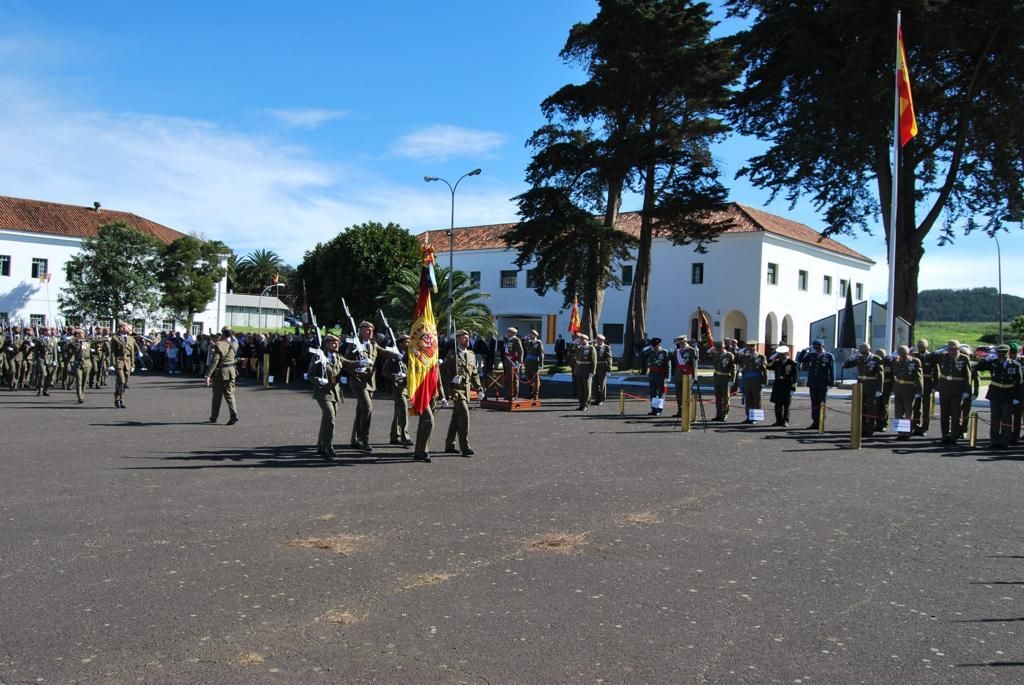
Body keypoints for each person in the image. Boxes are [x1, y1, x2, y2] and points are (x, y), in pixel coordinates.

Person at [443, 329, 483, 458]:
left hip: (466, 390)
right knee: (464, 414)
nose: (467, 339)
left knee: (456, 418)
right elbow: (441, 371)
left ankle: (449, 445)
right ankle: (465, 447)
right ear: (458, 339)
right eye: (464, 337)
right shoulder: (452, 354)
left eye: (468, 337)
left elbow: (475, 374)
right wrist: (451, 378)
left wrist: (479, 388)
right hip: (456, 390)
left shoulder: (471, 354)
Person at [342, 321, 381, 452]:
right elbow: (345, 363)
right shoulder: (353, 344)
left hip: (370, 383)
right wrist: (357, 367)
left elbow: (386, 353)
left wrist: (400, 355)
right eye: (367, 330)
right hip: (358, 382)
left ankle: (355, 440)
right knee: (367, 408)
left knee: (361, 411)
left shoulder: (373, 345)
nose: (370, 332)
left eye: (372, 330)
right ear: (361, 331)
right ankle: (364, 440)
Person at [977, 344, 1023, 449]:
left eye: (1004, 353)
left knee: (1006, 419)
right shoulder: (993, 363)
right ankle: (994, 441)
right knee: (995, 419)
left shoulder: (1015, 365)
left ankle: (1004, 442)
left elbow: (1019, 383)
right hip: (995, 394)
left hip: (1008, 394)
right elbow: (978, 368)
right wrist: (986, 358)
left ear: (1008, 353)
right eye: (1000, 353)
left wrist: (1017, 397)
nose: (1002, 355)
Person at [309, 334, 345, 457]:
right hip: (323, 392)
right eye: (333, 342)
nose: (336, 345)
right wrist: (318, 380)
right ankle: (328, 446)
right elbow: (310, 374)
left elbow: (350, 364)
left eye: (338, 342)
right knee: (330, 417)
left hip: (335, 393)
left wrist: (361, 363)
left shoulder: (339, 357)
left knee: (327, 420)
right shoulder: (319, 356)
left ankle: (321, 445)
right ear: (327, 344)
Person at [933, 339, 972, 444]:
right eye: (950, 349)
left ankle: (954, 435)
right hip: (945, 389)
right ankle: (945, 434)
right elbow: (929, 358)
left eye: (954, 349)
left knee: (956, 414)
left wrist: (967, 390)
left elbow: (968, 376)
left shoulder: (964, 359)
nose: (952, 351)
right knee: (944, 414)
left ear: (958, 349)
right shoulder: (943, 356)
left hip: (957, 390)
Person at [843, 343, 884, 437]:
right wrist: (852, 357)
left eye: (864, 350)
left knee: (871, 409)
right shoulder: (859, 358)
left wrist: (879, 389)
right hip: (860, 386)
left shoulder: (876, 359)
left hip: (871, 386)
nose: (863, 352)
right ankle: (862, 428)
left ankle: (870, 429)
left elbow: (880, 375)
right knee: (861, 408)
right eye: (861, 350)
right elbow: (845, 365)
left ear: (869, 349)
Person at [797, 339, 834, 429]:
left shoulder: (829, 356)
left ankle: (821, 422)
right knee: (814, 403)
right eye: (815, 348)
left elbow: (832, 370)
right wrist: (804, 350)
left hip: (823, 383)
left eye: (819, 347)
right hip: (813, 383)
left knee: (822, 402)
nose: (817, 349)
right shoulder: (812, 355)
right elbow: (800, 359)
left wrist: (831, 383)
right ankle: (815, 421)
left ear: (823, 346)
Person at [205, 327, 239, 425]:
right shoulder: (235, 344)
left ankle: (214, 417)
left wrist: (208, 375)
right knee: (230, 394)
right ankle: (234, 414)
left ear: (223, 334)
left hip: (221, 373)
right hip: (232, 371)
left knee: (217, 396)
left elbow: (215, 361)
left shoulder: (219, 345)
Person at [384, 334, 413, 447]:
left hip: (408, 387)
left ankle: (394, 436)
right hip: (398, 387)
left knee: (398, 412)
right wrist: (395, 376)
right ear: (400, 343)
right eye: (406, 342)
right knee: (404, 411)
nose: (408, 344)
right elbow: (384, 371)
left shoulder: (410, 355)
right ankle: (405, 436)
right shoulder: (394, 355)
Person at [891, 345, 924, 440]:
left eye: (904, 355)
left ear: (908, 354)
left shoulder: (914, 361)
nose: (902, 357)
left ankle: (907, 432)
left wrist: (919, 390)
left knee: (908, 412)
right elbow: (895, 374)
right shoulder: (897, 361)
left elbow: (919, 377)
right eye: (900, 355)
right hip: (899, 389)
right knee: (898, 412)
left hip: (909, 389)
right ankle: (901, 432)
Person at [911, 339, 938, 436]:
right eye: (919, 347)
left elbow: (936, 371)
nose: (921, 349)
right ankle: (916, 427)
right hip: (916, 384)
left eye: (923, 347)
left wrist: (935, 385)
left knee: (926, 408)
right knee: (916, 407)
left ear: (926, 347)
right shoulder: (914, 356)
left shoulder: (931, 356)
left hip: (927, 384)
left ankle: (924, 428)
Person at [768, 345, 798, 426]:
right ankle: (778, 420)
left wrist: (793, 388)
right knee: (777, 405)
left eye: (783, 354)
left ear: (787, 353)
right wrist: (774, 357)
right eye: (780, 354)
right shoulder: (777, 362)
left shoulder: (792, 363)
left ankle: (785, 421)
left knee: (786, 405)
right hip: (778, 386)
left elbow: (794, 377)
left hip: (787, 386)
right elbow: (768, 366)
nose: (781, 356)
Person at [109, 323, 136, 408]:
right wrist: (112, 363)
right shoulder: (115, 338)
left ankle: (119, 397)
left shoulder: (131, 339)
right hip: (119, 361)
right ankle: (119, 399)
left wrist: (132, 363)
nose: (129, 328)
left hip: (127, 362)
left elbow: (132, 352)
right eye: (127, 327)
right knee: (122, 381)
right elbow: (112, 352)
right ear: (121, 328)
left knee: (124, 383)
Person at [708, 340, 736, 422]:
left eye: (718, 348)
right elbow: (706, 356)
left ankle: (725, 415)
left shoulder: (729, 355)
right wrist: (711, 349)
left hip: (725, 378)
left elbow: (733, 369)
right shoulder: (716, 354)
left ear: (722, 347)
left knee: (725, 398)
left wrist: (732, 380)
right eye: (716, 348)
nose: (717, 349)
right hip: (717, 377)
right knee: (718, 398)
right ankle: (718, 415)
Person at [740, 341, 768, 424]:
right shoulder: (745, 356)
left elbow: (764, 370)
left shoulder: (761, 356)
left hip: (757, 380)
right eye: (748, 346)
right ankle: (749, 417)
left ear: (755, 347)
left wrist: (764, 381)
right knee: (748, 399)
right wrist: (740, 352)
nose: (750, 348)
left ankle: (755, 417)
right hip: (747, 380)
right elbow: (736, 361)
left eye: (752, 346)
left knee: (757, 399)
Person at [642, 337, 670, 416]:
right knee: (652, 393)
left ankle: (659, 410)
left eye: (656, 346)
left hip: (661, 375)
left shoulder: (664, 352)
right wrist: (648, 348)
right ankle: (653, 409)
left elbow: (667, 365)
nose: (654, 347)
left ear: (659, 345)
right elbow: (641, 355)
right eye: (653, 346)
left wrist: (667, 377)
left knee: (661, 393)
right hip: (652, 374)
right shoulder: (650, 351)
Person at [672, 336, 696, 419]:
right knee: (678, 395)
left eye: (682, 342)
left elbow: (694, 364)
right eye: (679, 343)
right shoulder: (676, 351)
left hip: (687, 375)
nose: (681, 344)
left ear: (685, 341)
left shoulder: (691, 350)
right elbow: (674, 364)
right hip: (678, 375)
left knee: (687, 395)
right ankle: (680, 411)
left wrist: (694, 376)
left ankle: (687, 412)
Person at [573, 333, 597, 411]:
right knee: (580, 389)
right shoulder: (579, 348)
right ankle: (581, 403)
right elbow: (572, 354)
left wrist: (592, 371)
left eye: (582, 339)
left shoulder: (591, 348)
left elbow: (594, 361)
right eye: (580, 339)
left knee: (586, 388)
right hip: (579, 370)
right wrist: (573, 344)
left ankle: (586, 404)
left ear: (586, 340)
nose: (580, 340)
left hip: (587, 371)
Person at [70, 328, 93, 404]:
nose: (83, 334)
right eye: (82, 333)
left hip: (87, 362)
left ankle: (82, 394)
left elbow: (98, 340)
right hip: (78, 363)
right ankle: (79, 396)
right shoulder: (73, 343)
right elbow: (66, 349)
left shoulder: (88, 342)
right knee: (79, 380)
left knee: (84, 380)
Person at [502, 327, 524, 400]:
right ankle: (509, 394)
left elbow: (520, 351)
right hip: (508, 362)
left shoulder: (516, 340)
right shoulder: (509, 340)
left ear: (512, 333)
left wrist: (519, 362)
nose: (507, 333)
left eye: (508, 332)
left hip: (513, 362)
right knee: (508, 379)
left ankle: (514, 394)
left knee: (514, 379)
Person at [593, 333, 613, 406]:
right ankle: (597, 399)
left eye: (598, 339)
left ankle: (601, 399)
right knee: (595, 384)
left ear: (602, 340)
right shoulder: (594, 347)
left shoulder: (606, 347)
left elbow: (609, 358)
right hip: (595, 368)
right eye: (597, 339)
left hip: (603, 367)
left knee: (602, 384)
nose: (597, 340)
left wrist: (609, 369)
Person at [523, 329, 545, 400]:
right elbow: (523, 341)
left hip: (534, 362)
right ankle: (530, 393)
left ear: (535, 335)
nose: (530, 335)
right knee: (528, 378)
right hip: (528, 362)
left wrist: (540, 364)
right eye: (530, 334)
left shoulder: (538, 342)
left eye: (532, 334)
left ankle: (536, 394)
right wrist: (526, 337)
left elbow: (541, 354)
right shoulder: (529, 342)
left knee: (535, 379)